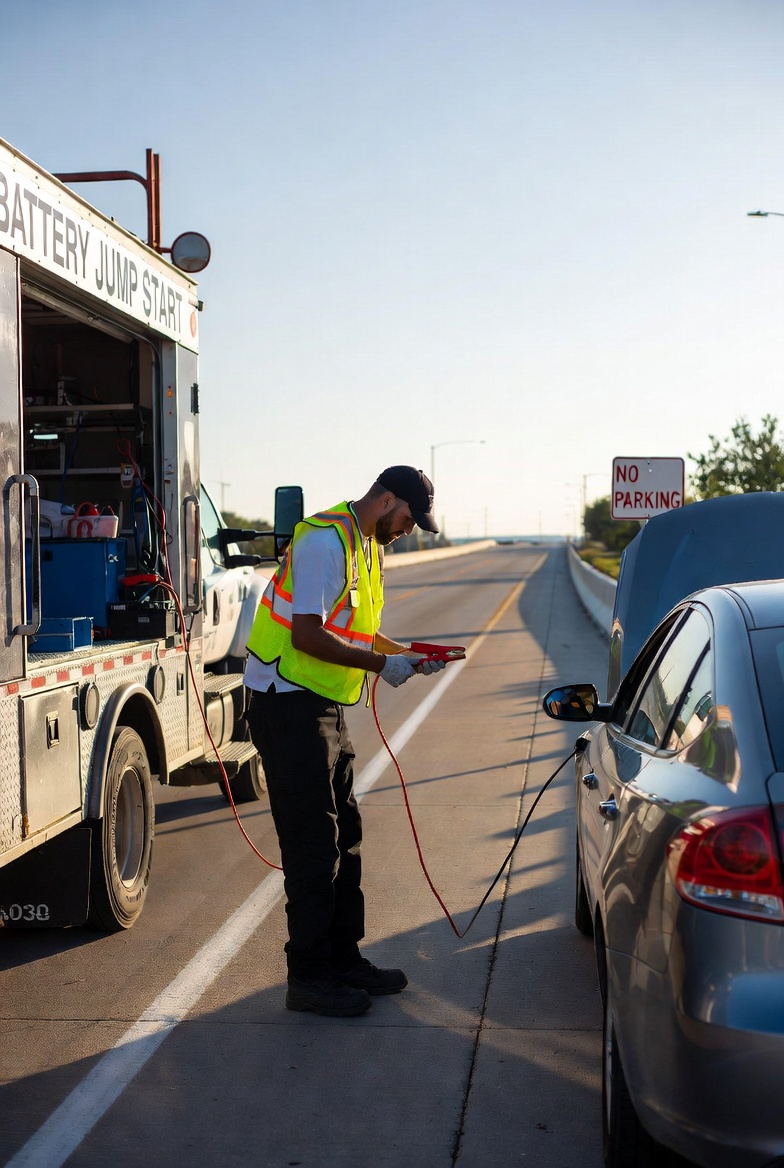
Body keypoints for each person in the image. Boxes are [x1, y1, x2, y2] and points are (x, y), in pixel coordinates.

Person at [244, 466, 446, 1017]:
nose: (409, 529)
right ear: (385, 500)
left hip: (324, 706)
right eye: (408, 518)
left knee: (346, 837)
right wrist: (383, 665)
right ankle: (307, 977)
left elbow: (352, 628)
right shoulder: (322, 540)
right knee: (313, 849)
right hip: (287, 706)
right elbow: (307, 632)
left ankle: (342, 958)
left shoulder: (366, 544)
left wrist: (403, 653)